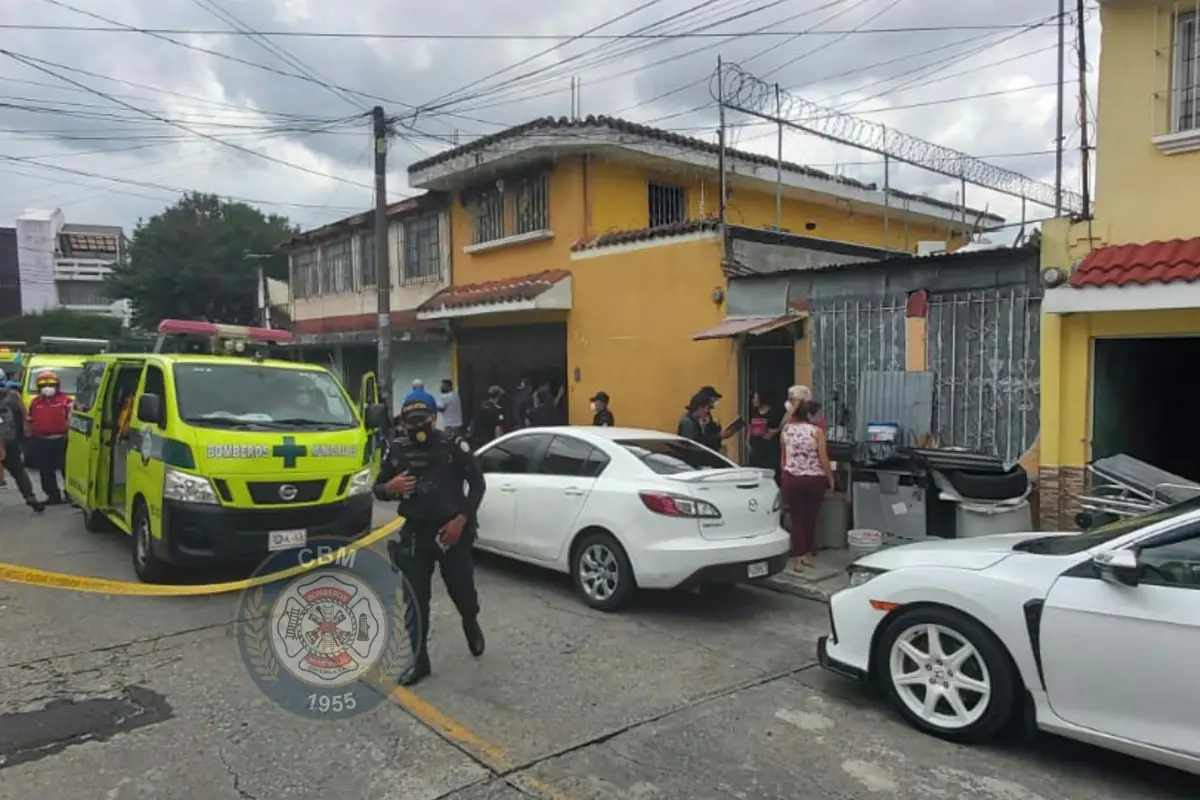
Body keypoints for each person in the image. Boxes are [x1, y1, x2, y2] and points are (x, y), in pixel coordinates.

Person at [374, 395, 486, 687]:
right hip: (415, 536)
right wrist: (390, 486)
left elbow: (478, 484)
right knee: (414, 600)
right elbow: (377, 488)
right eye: (411, 421)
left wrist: (461, 520)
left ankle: (469, 619)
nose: (418, 426)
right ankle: (419, 660)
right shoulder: (397, 450)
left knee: (463, 591)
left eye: (423, 419)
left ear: (434, 418)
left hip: (452, 534)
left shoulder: (453, 446)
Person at [779, 392, 834, 570]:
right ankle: (807, 554)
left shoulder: (787, 429)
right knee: (810, 517)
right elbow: (824, 459)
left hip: (791, 479)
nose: (820, 417)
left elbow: (784, 453)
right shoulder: (816, 432)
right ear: (810, 416)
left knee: (796, 518)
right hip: (813, 480)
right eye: (817, 414)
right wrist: (831, 478)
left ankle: (799, 557)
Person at [26, 370, 72, 505]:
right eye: (44, 385)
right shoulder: (35, 402)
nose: (48, 388)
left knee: (67, 469)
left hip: (62, 440)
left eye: (51, 385)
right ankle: (53, 495)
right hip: (41, 441)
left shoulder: (65, 401)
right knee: (45, 471)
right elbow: (31, 419)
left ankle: (70, 494)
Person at [0, 372, 43, 512]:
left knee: (18, 471)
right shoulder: (13, 395)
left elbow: (24, 416)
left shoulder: (12, 397)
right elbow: (25, 415)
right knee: (19, 472)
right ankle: (30, 497)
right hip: (10, 441)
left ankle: (30, 497)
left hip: (7, 442)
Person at [746, 389, 784, 481]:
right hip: (756, 444)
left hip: (770, 445)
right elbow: (750, 426)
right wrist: (747, 441)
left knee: (770, 469)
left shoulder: (775, 412)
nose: (753, 400)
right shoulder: (753, 411)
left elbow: (782, 426)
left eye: (755, 398)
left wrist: (775, 431)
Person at [696, 385, 738, 453]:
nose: (716, 402)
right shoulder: (699, 416)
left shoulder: (709, 414)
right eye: (714, 399)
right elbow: (702, 439)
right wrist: (719, 436)